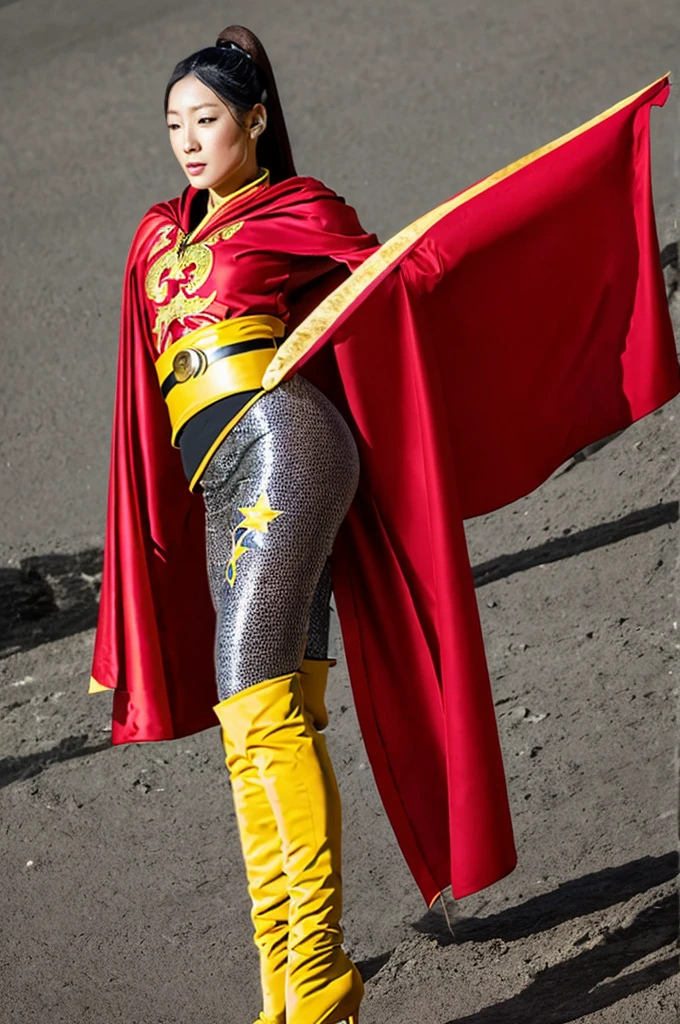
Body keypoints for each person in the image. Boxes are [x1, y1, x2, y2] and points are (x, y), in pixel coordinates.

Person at [90, 23, 678, 1024]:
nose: (188, 141)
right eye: (174, 125)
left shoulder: (294, 208)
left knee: (257, 707)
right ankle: (287, 991)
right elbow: (140, 402)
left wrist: (519, 223)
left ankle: (315, 992)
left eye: (207, 120)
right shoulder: (154, 233)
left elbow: (394, 284)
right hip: (217, 477)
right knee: (263, 715)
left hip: (285, 444)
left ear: (256, 121)